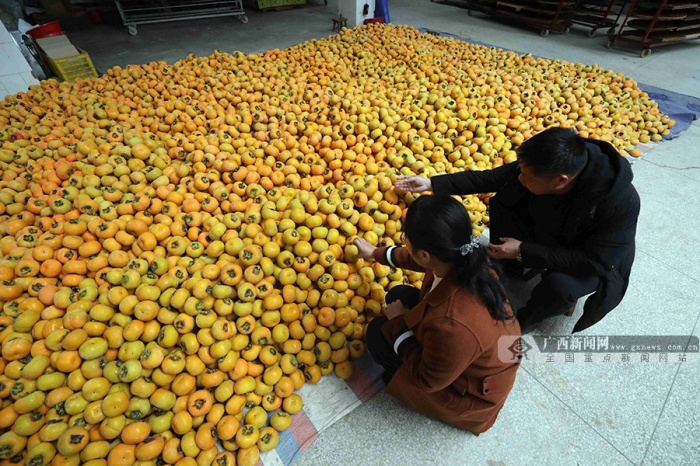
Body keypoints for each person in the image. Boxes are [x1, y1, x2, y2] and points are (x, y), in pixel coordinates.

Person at [395, 127, 640, 333]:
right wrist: (432, 183)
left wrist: (523, 250)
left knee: (560, 287)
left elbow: (596, 260)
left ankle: (520, 325)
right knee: (503, 200)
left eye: (526, 176)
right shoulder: (547, 163)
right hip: (557, 229)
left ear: (561, 180)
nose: (520, 177)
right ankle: (511, 266)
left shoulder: (619, 202)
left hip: (591, 257)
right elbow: (489, 178)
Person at [353, 195, 521, 435]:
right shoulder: (465, 257)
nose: (404, 242)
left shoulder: (453, 324)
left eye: (405, 238)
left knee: (378, 334)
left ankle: (398, 371)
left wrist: (399, 325)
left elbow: (428, 380)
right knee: (399, 294)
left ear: (424, 254)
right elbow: (414, 259)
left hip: (466, 392)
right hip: (472, 352)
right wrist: (375, 253)